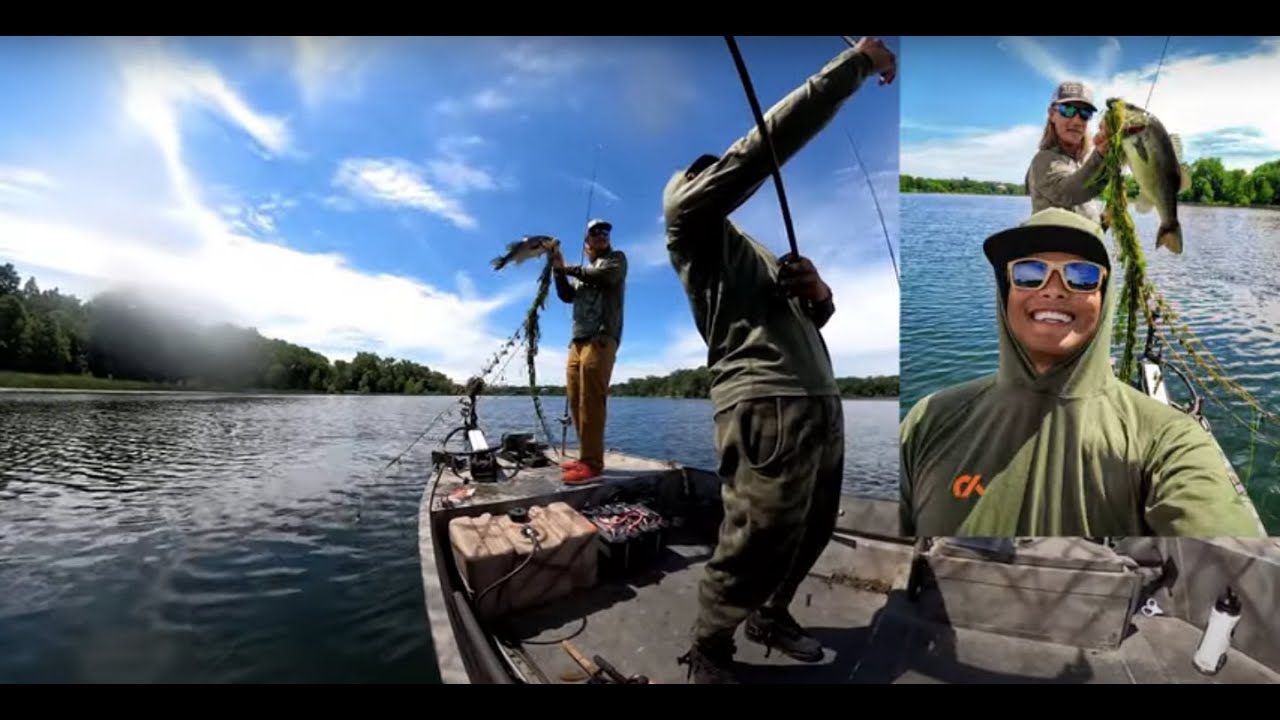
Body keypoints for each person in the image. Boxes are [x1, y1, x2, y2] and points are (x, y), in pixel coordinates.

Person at [661, 38, 897, 684]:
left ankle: (772, 614)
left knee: (812, 530)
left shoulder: (755, 251)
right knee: (755, 539)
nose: (717, 175)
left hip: (821, 398)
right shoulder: (686, 219)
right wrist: (858, 62)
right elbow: (760, 148)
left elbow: (811, 319)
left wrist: (818, 294)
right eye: (705, 171)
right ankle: (710, 650)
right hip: (763, 399)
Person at [898, 207, 1267, 538]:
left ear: (1103, 297)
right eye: (1030, 272)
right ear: (1004, 288)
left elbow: (1227, 553)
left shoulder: (1167, 441)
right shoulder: (927, 422)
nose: (1054, 290)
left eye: (1081, 275)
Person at [550, 219, 627, 484]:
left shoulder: (616, 259)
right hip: (578, 340)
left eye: (605, 231)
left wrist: (569, 268)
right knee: (575, 399)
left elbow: (606, 277)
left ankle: (593, 464)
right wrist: (558, 272)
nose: (601, 235)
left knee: (592, 400)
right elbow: (565, 296)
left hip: (601, 338)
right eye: (595, 232)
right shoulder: (584, 272)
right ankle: (586, 457)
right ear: (586, 244)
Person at [1026, 81, 1110, 224]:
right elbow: (1070, 191)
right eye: (1068, 110)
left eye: (1084, 113)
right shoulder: (1043, 160)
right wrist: (1102, 154)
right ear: (1052, 114)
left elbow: (1087, 230)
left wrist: (1106, 219)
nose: (1077, 121)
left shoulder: (1080, 165)